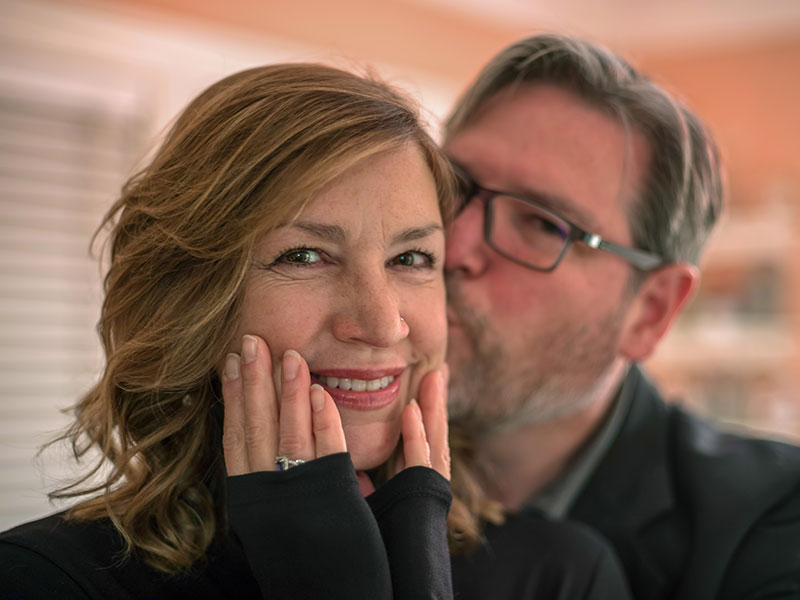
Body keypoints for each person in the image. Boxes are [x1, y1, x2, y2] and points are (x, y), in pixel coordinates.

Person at [0, 62, 632, 599]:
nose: (384, 323)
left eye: (411, 258)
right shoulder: (38, 579)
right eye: (304, 256)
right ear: (188, 298)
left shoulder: (562, 575)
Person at [444, 33, 800, 599]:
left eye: (542, 225)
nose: (453, 245)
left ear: (650, 311)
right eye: (452, 186)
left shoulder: (773, 525)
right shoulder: (317, 446)